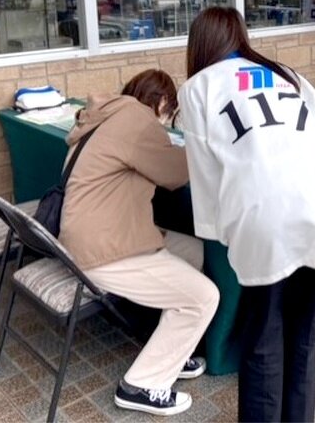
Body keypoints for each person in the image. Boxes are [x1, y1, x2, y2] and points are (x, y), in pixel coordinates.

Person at [176, 6, 315, 422]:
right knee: (303, 337)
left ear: (199, 46)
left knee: (263, 338)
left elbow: (204, 180)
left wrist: (221, 237)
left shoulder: (198, 88)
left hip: (265, 214)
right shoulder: (288, 75)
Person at [59, 69, 219, 417]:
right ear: (162, 102)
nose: (168, 120)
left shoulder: (108, 115)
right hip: (104, 249)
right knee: (204, 297)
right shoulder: (138, 119)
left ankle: (171, 352)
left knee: (193, 251)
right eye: (171, 112)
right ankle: (142, 384)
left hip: (89, 236)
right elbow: (176, 174)